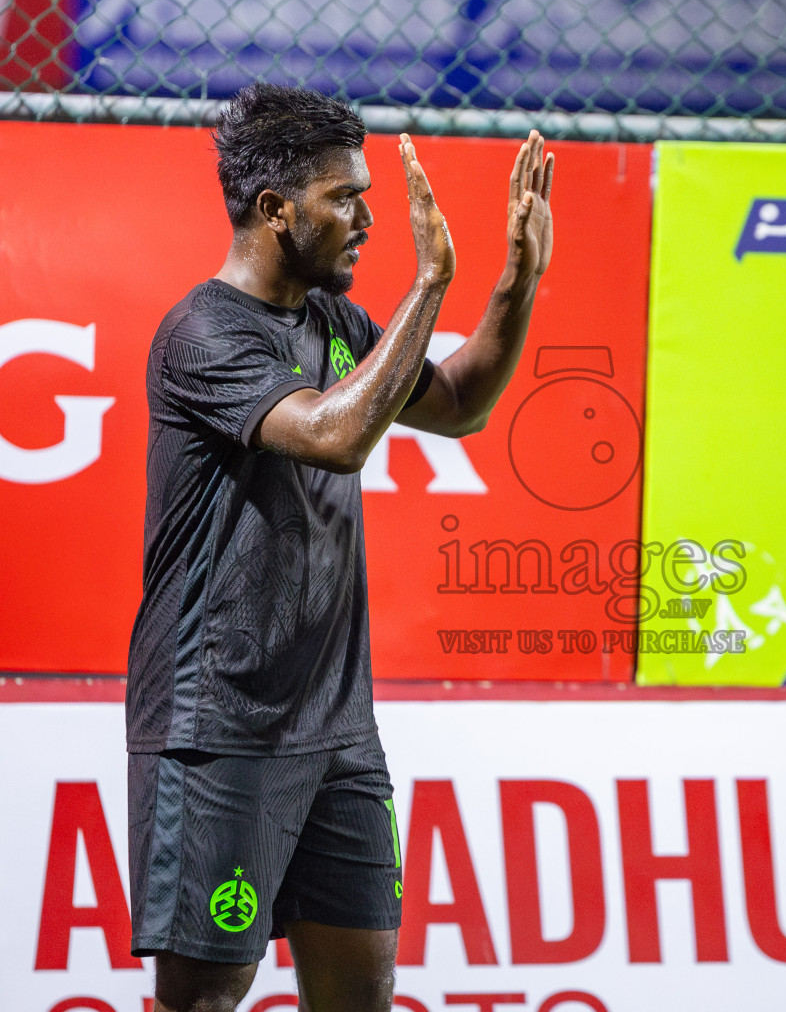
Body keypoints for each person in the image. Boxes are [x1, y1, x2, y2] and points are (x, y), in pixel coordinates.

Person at [125, 82, 554, 1011]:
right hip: (220, 727)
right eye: (344, 198)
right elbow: (335, 434)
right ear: (275, 211)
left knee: (362, 994)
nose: (365, 218)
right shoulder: (201, 333)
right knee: (203, 999)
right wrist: (429, 285)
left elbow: (463, 405)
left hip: (338, 733)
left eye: (365, 194)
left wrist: (516, 280)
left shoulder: (334, 323)